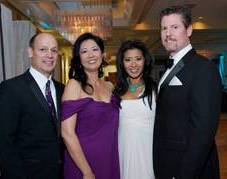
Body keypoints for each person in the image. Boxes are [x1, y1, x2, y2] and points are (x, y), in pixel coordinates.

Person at [153, 5, 222, 179]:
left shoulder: (203, 68)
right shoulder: (168, 68)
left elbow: (203, 132)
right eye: (164, 28)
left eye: (175, 27)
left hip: (189, 168)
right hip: (168, 163)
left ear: (189, 30)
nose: (168, 33)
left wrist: (185, 174)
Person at [0, 33, 65, 179]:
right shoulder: (11, 88)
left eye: (54, 50)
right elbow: (4, 142)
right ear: (30, 52)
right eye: (43, 49)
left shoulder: (61, 89)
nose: (49, 55)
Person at [61, 32, 120, 179]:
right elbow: (67, 133)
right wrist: (87, 172)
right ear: (79, 58)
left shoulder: (109, 86)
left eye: (95, 49)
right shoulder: (74, 85)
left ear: (102, 54)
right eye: (84, 51)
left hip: (109, 158)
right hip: (82, 162)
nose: (91, 55)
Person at [113, 40, 157, 179]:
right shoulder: (115, 92)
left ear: (145, 61)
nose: (133, 64)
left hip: (149, 149)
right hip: (123, 148)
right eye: (128, 60)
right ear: (122, 63)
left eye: (138, 59)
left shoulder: (156, 89)